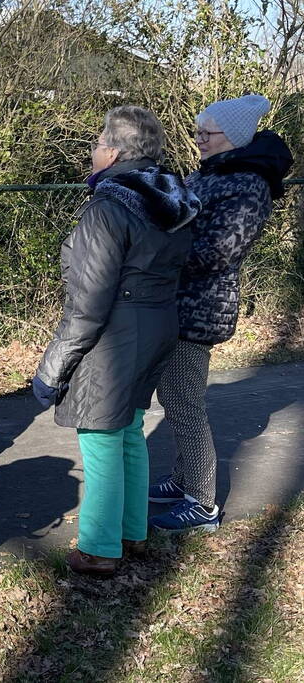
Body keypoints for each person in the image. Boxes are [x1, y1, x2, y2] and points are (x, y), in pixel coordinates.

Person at [32, 106, 198, 576]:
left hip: (115, 337)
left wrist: (51, 370)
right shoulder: (173, 201)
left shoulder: (109, 207)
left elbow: (87, 304)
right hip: (158, 325)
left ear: (114, 151)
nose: (92, 152)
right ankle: (132, 533)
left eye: (96, 143)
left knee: (102, 437)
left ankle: (100, 548)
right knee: (129, 433)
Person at [148, 95, 294, 532]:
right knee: (173, 398)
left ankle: (203, 504)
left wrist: (159, 250)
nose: (198, 141)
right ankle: (184, 479)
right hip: (177, 300)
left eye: (206, 134)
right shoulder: (214, 172)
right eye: (197, 132)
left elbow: (218, 251)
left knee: (184, 402)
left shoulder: (246, 183)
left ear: (233, 138)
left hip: (199, 307)